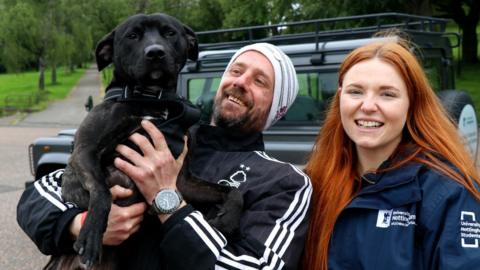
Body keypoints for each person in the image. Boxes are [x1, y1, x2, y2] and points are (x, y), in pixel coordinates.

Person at [17, 42, 312, 270]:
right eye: (236, 71)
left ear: (278, 107)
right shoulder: (164, 135)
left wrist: (167, 200)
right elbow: (38, 197)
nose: (240, 82)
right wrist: (81, 224)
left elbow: (256, 266)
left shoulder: (285, 182)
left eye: (260, 81)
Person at [302, 36, 480, 269]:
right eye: (356, 91)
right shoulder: (315, 180)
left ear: (412, 103)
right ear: (340, 96)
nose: (367, 106)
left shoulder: (450, 194)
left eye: (387, 94)